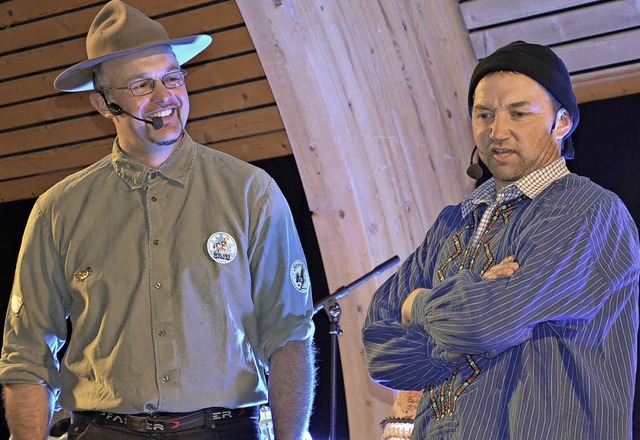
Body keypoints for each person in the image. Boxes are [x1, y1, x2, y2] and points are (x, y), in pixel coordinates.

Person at [0, 1, 316, 439]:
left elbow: (290, 334)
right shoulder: (57, 210)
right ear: (104, 103)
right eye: (141, 85)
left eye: (172, 78)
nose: (165, 96)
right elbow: (27, 350)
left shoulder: (252, 192)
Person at [362, 40, 640, 439]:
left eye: (518, 113)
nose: (497, 131)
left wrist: (417, 306)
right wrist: (469, 307)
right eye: (484, 114)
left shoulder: (588, 210)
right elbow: (381, 351)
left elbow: (483, 323)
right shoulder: (453, 222)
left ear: (561, 122)